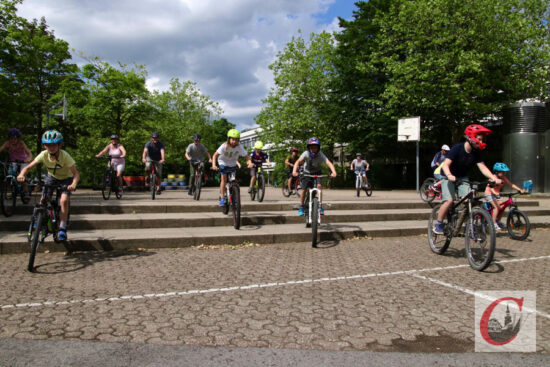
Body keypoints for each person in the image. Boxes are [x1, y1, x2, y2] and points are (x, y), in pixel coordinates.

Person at [433, 124, 501, 235]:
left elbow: (482, 167)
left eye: (482, 139)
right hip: (447, 176)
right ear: (470, 137)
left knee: (468, 200)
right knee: (449, 200)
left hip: (462, 177)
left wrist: (493, 178)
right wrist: (449, 175)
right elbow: (445, 165)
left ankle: (462, 223)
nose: (481, 141)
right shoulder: (457, 149)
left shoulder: (476, 153)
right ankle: (438, 224)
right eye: (479, 139)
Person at [17, 130, 79, 241]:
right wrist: (21, 174)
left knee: (64, 200)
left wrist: (73, 184)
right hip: (52, 177)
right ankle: (38, 220)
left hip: (66, 179)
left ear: (59, 145)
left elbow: (76, 174)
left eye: (54, 145)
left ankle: (62, 228)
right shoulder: (43, 155)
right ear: (45, 145)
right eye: (48, 145)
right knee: (43, 199)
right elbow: (28, 167)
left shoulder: (65, 156)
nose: (51, 147)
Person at [292, 137, 337, 216]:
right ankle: (301, 206)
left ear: (318, 148)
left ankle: (320, 206)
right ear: (309, 148)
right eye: (311, 147)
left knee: (319, 187)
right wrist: (294, 171)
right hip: (307, 173)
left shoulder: (320, 154)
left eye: (315, 147)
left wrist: (334, 172)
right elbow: (297, 162)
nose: (313, 149)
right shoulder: (306, 153)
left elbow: (328, 163)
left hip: (317, 172)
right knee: (304, 190)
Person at [212, 129, 253, 206]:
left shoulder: (239, 147)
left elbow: (247, 157)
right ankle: (222, 197)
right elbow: (215, 155)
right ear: (229, 139)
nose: (234, 141)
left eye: (236, 140)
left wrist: (250, 163)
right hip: (223, 163)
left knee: (234, 180)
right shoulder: (224, 146)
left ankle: (235, 195)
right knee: (223, 179)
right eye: (233, 139)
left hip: (233, 164)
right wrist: (214, 165)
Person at [484, 162, 525, 230]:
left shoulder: (503, 178)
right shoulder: (493, 177)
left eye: (504, 172)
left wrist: (520, 190)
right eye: (502, 172)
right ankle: (493, 223)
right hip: (489, 194)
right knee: (496, 207)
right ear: (496, 172)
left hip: (496, 194)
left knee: (502, 206)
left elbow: (511, 184)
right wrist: (495, 193)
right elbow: (490, 187)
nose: (504, 173)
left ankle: (498, 221)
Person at [0, 128, 33, 197]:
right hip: (13, 161)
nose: (12, 140)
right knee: (10, 174)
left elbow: (29, 153)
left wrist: (28, 159)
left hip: (23, 161)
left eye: (14, 138)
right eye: (11, 138)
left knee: (22, 175)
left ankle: (26, 191)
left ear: (18, 139)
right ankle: (13, 188)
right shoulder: (7, 143)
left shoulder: (21, 143)